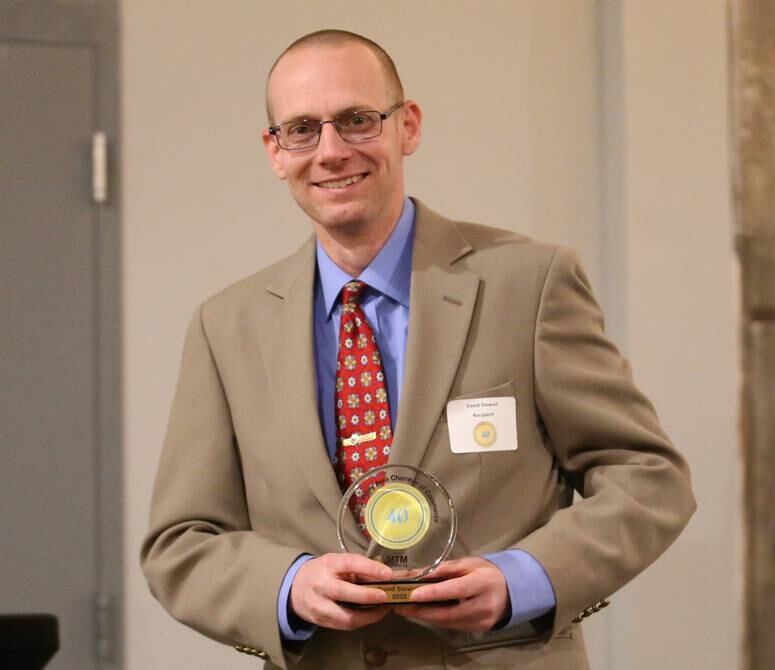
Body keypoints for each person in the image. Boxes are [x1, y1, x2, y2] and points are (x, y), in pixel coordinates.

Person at [141, 29, 696, 670]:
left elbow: (646, 476)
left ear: (407, 126)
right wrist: (288, 586)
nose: (331, 152)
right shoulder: (226, 327)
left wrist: (523, 578)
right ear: (275, 151)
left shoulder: (529, 284)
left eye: (357, 120)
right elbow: (181, 543)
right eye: (302, 130)